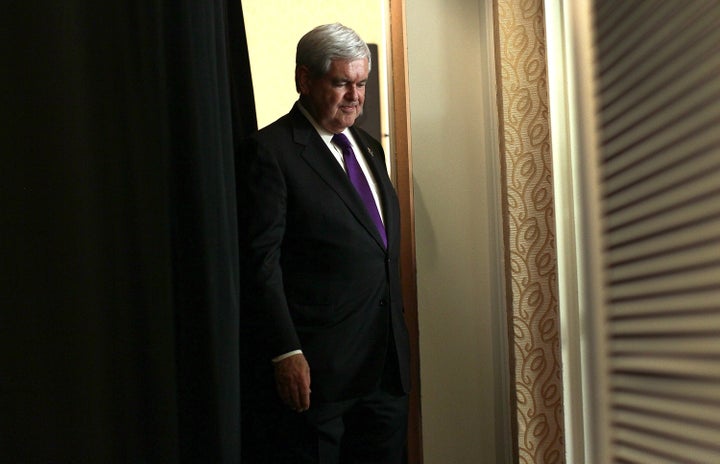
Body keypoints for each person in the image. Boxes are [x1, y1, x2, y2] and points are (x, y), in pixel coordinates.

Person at [239, 23, 410, 464]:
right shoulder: (270, 151)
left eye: (361, 83)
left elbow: (380, 250)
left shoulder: (370, 148)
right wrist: (286, 351)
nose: (355, 96)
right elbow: (261, 263)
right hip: (320, 377)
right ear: (305, 80)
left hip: (385, 372)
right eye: (341, 83)